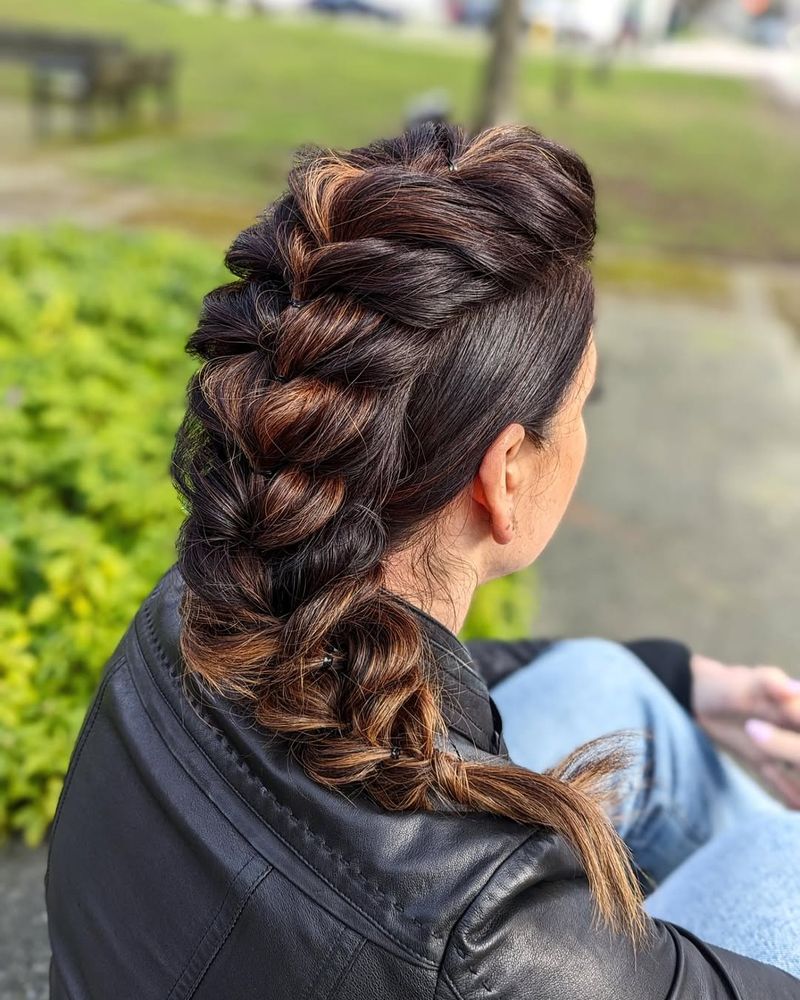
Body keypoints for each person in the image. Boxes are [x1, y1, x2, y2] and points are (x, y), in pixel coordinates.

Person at [45, 122, 800, 998]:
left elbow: (366, 677)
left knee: (608, 683)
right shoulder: (497, 940)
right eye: (583, 403)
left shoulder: (206, 594)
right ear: (505, 476)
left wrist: (681, 677)